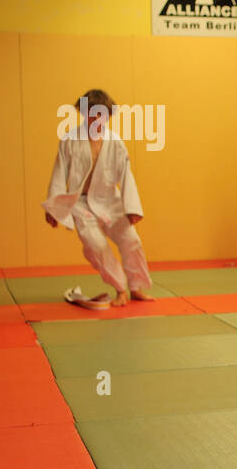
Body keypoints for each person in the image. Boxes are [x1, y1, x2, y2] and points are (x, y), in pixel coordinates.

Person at [43, 89, 154, 307]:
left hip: (110, 200)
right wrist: (53, 209)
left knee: (132, 240)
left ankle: (136, 287)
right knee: (96, 245)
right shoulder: (70, 140)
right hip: (80, 203)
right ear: (84, 113)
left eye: (103, 114)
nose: (98, 119)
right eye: (93, 113)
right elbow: (58, 174)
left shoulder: (115, 142)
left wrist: (132, 208)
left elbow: (126, 176)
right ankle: (120, 288)